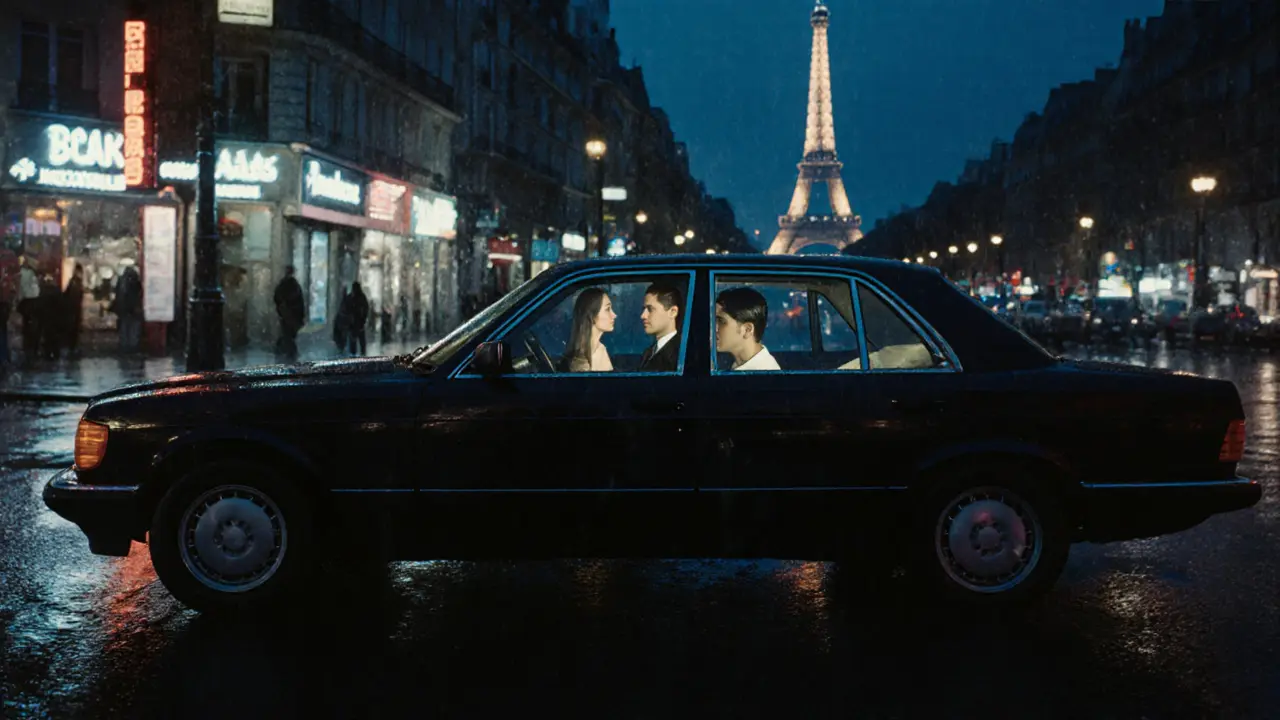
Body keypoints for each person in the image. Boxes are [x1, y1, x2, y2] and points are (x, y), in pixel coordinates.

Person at [715, 287, 781, 371]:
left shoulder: (761, 373)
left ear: (747, 330)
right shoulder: (745, 366)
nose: (714, 328)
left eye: (721, 321)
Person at [562, 287, 616, 372]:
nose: (614, 315)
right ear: (592, 315)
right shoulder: (581, 363)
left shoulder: (601, 349)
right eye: (607, 309)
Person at [639, 281, 682, 372]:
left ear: (673, 312)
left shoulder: (680, 354)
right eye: (644, 309)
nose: (643, 315)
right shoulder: (649, 352)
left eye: (650, 309)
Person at [273, 266, 306, 360]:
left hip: (289, 313)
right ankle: (288, 353)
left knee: (288, 333)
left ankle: (286, 352)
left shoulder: (288, 284)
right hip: (289, 313)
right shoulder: (291, 285)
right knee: (288, 334)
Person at [344, 282, 370, 356]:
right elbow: (366, 309)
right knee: (359, 341)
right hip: (357, 322)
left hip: (356, 322)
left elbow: (346, 309)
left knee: (355, 340)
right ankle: (360, 354)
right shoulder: (360, 297)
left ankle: (355, 354)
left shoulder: (352, 297)